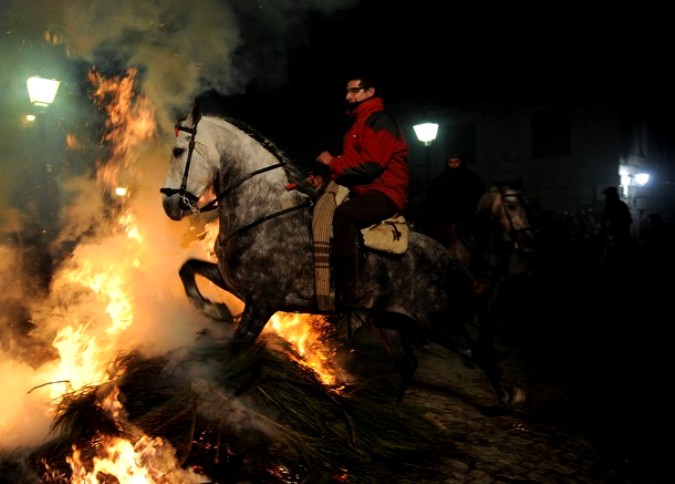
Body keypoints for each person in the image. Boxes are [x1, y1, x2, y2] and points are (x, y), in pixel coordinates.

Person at [315, 75, 409, 309]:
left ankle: (351, 290)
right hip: (364, 190)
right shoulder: (358, 123)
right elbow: (354, 161)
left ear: (370, 91)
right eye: (347, 92)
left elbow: (371, 164)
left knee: (345, 215)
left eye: (354, 91)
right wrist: (326, 176)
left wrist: (333, 163)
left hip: (385, 191)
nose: (348, 96)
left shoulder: (380, 121)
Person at [423, 150, 485, 246]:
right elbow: (432, 201)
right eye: (450, 162)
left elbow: (479, 199)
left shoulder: (472, 178)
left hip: (468, 223)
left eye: (456, 162)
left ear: (461, 162)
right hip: (445, 224)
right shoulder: (440, 180)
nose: (453, 165)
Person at [599, 185, 633, 265]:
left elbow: (626, 220)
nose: (605, 198)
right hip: (614, 234)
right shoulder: (615, 205)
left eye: (607, 195)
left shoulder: (616, 205)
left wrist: (612, 227)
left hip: (618, 235)